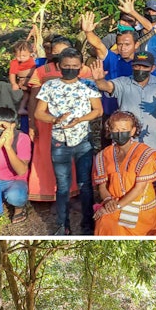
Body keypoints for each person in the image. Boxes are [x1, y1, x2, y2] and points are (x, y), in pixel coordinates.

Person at [34, 47, 103, 234]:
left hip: (83, 141)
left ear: (81, 67)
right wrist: (54, 120)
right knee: (62, 185)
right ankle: (63, 225)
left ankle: (88, 224)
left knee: (85, 185)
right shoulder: (49, 86)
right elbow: (38, 112)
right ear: (59, 66)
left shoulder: (89, 85)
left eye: (74, 66)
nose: (71, 69)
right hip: (59, 141)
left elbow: (98, 110)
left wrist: (81, 119)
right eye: (66, 66)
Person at [92, 111, 156, 235]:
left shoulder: (144, 153)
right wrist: (108, 201)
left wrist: (117, 206)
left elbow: (139, 189)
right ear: (110, 131)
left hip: (140, 206)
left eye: (124, 129)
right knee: (104, 222)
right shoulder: (103, 155)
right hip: (113, 203)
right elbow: (102, 186)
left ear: (133, 131)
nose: (120, 133)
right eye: (116, 130)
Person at [91, 50, 156, 150]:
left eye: (145, 67)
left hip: (152, 144)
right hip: (125, 143)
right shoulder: (123, 82)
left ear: (153, 68)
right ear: (132, 66)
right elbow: (106, 86)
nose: (140, 69)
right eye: (137, 66)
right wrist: (99, 80)